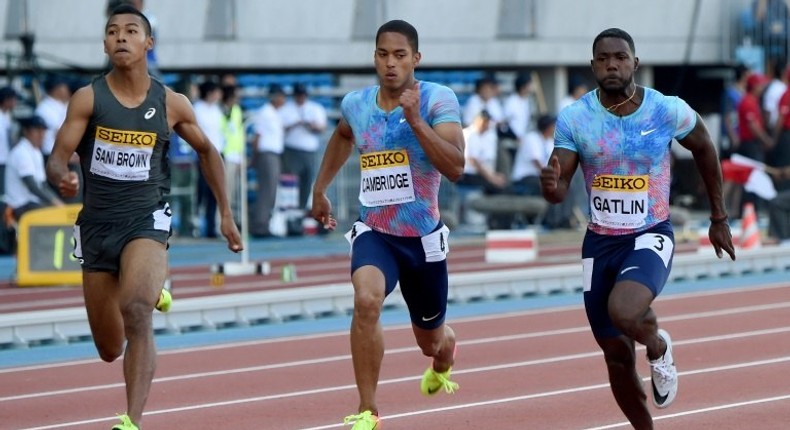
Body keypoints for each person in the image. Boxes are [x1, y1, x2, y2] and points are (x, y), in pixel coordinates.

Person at [45, 6, 242, 430]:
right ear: (104, 44)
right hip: (97, 227)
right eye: (112, 32)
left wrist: (225, 214)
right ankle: (151, 289)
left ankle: (130, 420)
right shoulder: (88, 99)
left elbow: (209, 151)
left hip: (146, 220)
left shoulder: (171, 103)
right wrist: (61, 177)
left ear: (148, 43)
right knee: (108, 347)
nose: (121, 37)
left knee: (136, 309)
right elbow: (58, 157)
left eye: (131, 31)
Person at [540, 28, 736, 430]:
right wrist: (551, 187)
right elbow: (559, 188)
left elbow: (704, 147)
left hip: (650, 233)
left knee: (625, 311)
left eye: (620, 57)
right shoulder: (576, 118)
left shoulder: (665, 109)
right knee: (615, 355)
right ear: (593, 64)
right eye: (603, 58)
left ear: (635, 62)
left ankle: (660, 346)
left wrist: (719, 218)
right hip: (600, 242)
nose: (612, 64)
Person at [311, 19, 464, 430]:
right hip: (376, 232)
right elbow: (343, 136)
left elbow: (456, 167)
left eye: (400, 55)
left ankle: (445, 353)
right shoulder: (357, 104)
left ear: (416, 58)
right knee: (365, 301)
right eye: (383, 54)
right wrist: (319, 189)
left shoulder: (437, 100)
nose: (390, 64)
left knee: (430, 341)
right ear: (374, 57)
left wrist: (416, 121)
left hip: (423, 239)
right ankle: (368, 409)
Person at [280, 83, 328, 218]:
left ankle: (302, 209)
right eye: (298, 95)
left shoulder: (315, 108)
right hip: (291, 150)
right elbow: (280, 128)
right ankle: (289, 210)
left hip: (309, 150)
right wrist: (294, 124)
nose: (300, 98)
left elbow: (321, 128)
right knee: (290, 182)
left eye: (302, 95)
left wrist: (311, 125)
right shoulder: (286, 109)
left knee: (307, 180)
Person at [6, 115, 63, 220]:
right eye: (37, 131)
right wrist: (54, 202)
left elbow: (43, 185)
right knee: (53, 215)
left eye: (43, 131)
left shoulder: (35, 151)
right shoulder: (21, 151)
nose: (41, 135)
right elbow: (32, 186)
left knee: (61, 211)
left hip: (32, 202)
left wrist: (57, 201)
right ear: (26, 131)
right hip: (19, 204)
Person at [250, 84, 286, 238]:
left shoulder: (275, 113)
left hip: (274, 155)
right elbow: (257, 137)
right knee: (266, 191)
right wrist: (255, 158)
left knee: (271, 192)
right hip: (267, 155)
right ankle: (259, 226)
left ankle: (263, 223)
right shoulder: (265, 113)